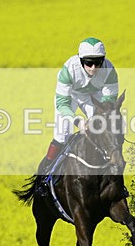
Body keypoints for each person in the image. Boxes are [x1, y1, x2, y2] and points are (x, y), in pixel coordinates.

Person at [36, 37, 119, 177]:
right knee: (62, 136)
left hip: (94, 96)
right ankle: (46, 171)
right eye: (89, 63)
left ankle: (109, 172)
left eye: (98, 62)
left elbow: (107, 106)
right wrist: (78, 121)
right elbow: (62, 103)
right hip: (71, 98)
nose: (94, 67)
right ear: (80, 60)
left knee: (102, 129)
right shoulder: (69, 69)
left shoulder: (110, 71)